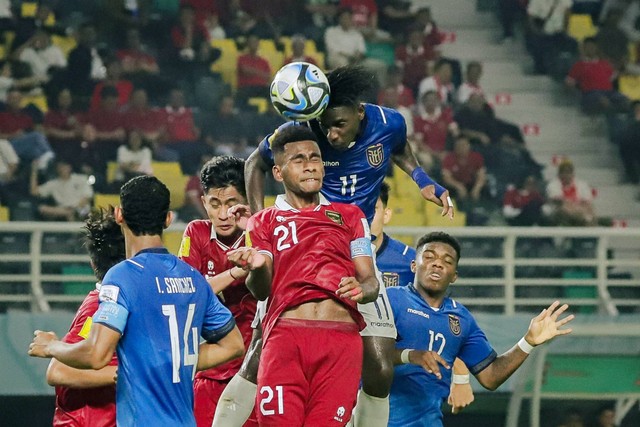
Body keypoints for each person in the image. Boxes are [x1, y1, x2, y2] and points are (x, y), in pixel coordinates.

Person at [215, 65, 452, 427]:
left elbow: (400, 149)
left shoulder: (390, 123)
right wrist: (264, 223)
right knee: (259, 352)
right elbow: (255, 162)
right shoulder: (303, 128)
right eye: (325, 124)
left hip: (354, 244)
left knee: (380, 366)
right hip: (301, 248)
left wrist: (421, 179)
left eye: (339, 123)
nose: (331, 133)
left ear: (361, 112)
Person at [28, 175, 245, 426]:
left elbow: (97, 354)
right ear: (168, 219)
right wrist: (172, 361)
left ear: (120, 215)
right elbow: (233, 346)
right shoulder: (192, 278)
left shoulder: (122, 276)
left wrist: (52, 346)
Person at [227, 125, 380, 426]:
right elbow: (261, 290)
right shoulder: (264, 221)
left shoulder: (351, 216)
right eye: (298, 159)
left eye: (315, 157)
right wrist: (256, 268)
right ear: (278, 173)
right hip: (286, 340)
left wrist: (362, 288)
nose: (310, 164)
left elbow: (371, 281)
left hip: (340, 344)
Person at [387, 231, 575, 426]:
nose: (438, 263)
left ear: (454, 276)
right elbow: (367, 353)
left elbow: (490, 376)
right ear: (413, 265)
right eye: (429, 257)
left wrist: (527, 342)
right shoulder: (391, 299)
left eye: (448, 261)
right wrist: (410, 355)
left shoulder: (461, 319)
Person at [371, 182, 475, 414]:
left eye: (373, 209)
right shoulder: (333, 253)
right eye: (359, 209)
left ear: (386, 214)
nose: (365, 216)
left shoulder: (410, 261)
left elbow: (438, 319)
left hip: (390, 370)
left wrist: (460, 373)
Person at [179, 156, 258, 427]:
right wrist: (236, 272)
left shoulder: (262, 233)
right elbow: (189, 293)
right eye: (215, 204)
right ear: (204, 203)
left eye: (231, 203)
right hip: (211, 369)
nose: (223, 214)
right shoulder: (197, 232)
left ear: (247, 201)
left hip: (256, 369)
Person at [46, 208, 125, 427]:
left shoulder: (121, 300)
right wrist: (127, 374)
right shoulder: (98, 307)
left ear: (93, 264)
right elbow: (58, 371)